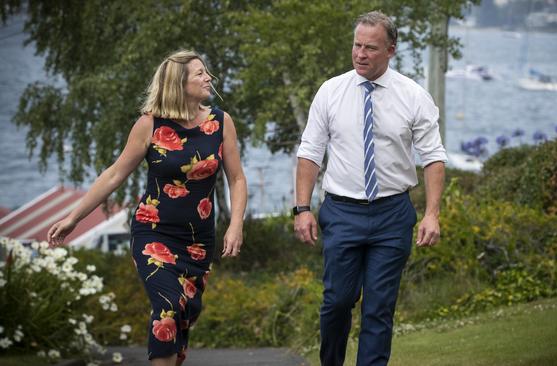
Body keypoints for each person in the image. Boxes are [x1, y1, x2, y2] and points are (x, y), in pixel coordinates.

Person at [47, 50, 247, 366]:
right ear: (178, 84)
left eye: (205, 71)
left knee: (183, 316)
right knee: (167, 309)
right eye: (199, 73)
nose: (208, 77)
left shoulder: (221, 123)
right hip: (154, 234)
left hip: (198, 242)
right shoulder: (149, 124)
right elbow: (114, 174)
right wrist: (73, 217)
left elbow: (236, 179)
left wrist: (236, 225)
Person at [293, 11, 447, 366]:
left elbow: (434, 157)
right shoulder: (331, 91)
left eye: (370, 48)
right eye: (357, 45)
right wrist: (302, 209)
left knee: (379, 308)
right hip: (342, 211)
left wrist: (432, 214)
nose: (360, 54)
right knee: (337, 302)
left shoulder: (413, 96)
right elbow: (310, 153)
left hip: (392, 214)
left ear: (390, 50)